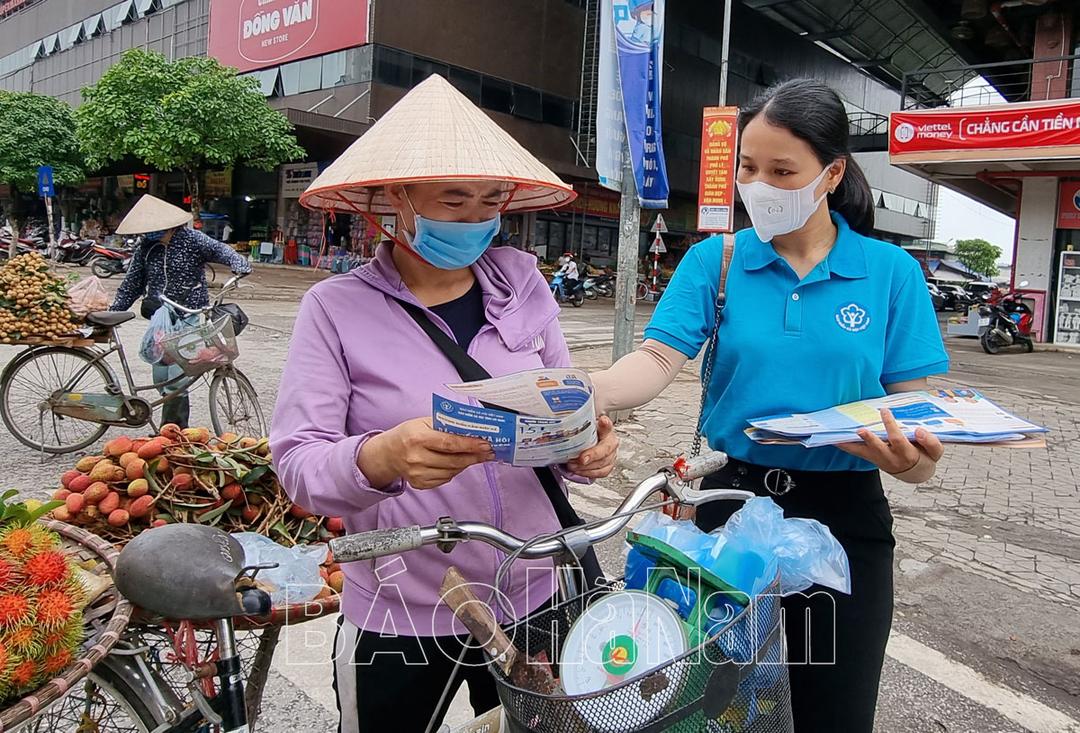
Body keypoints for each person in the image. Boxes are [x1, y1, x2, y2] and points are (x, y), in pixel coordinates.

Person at [590, 78, 949, 732]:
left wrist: (911, 462)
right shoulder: (716, 261)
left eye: (783, 170)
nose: (760, 185)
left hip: (845, 522)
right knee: (710, 709)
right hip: (727, 508)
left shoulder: (890, 274)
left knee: (833, 713)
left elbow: (916, 427)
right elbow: (656, 361)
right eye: (748, 168)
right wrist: (589, 389)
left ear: (832, 173)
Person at [269, 75, 619, 732]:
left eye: (490, 202)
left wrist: (586, 445)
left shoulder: (523, 282)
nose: (476, 220)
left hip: (534, 589)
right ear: (397, 200)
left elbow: (559, 408)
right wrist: (381, 455)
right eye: (453, 200)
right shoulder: (334, 310)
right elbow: (297, 462)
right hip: (403, 602)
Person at [109, 194, 252, 428]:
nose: (150, 233)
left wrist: (240, 265)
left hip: (189, 316)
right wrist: (114, 313)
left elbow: (222, 251)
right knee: (161, 378)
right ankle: (169, 427)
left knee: (176, 381)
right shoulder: (146, 248)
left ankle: (174, 433)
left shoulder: (193, 240)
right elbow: (132, 284)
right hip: (159, 320)